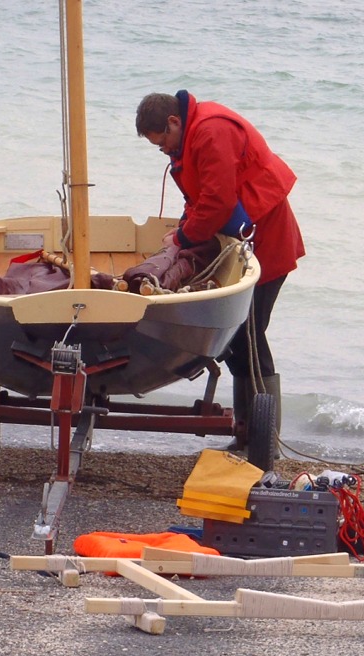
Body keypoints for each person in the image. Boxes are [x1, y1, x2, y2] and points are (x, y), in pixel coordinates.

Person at [135, 90, 305, 448]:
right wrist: (184, 228)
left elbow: (218, 200)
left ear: (173, 121)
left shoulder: (211, 131)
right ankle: (249, 431)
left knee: (249, 336)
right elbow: (202, 198)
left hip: (265, 242)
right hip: (237, 241)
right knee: (240, 338)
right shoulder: (190, 135)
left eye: (163, 142)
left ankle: (263, 440)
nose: (164, 151)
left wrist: (181, 239)